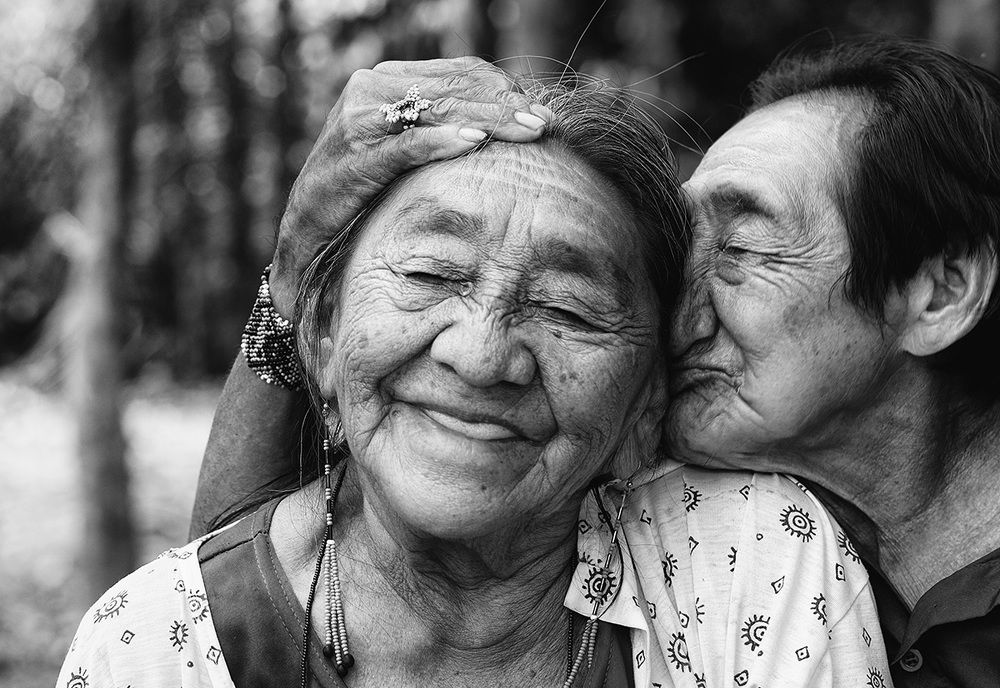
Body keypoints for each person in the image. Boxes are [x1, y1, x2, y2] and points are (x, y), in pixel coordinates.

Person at [58, 69, 889, 688]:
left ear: (646, 404)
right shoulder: (151, 646)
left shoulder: (750, 565)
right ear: (321, 336)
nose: (482, 355)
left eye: (568, 308)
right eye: (430, 274)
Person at [668, 36, 1000, 687]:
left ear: (940, 293)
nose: (677, 318)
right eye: (677, 249)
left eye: (741, 247)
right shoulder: (657, 530)